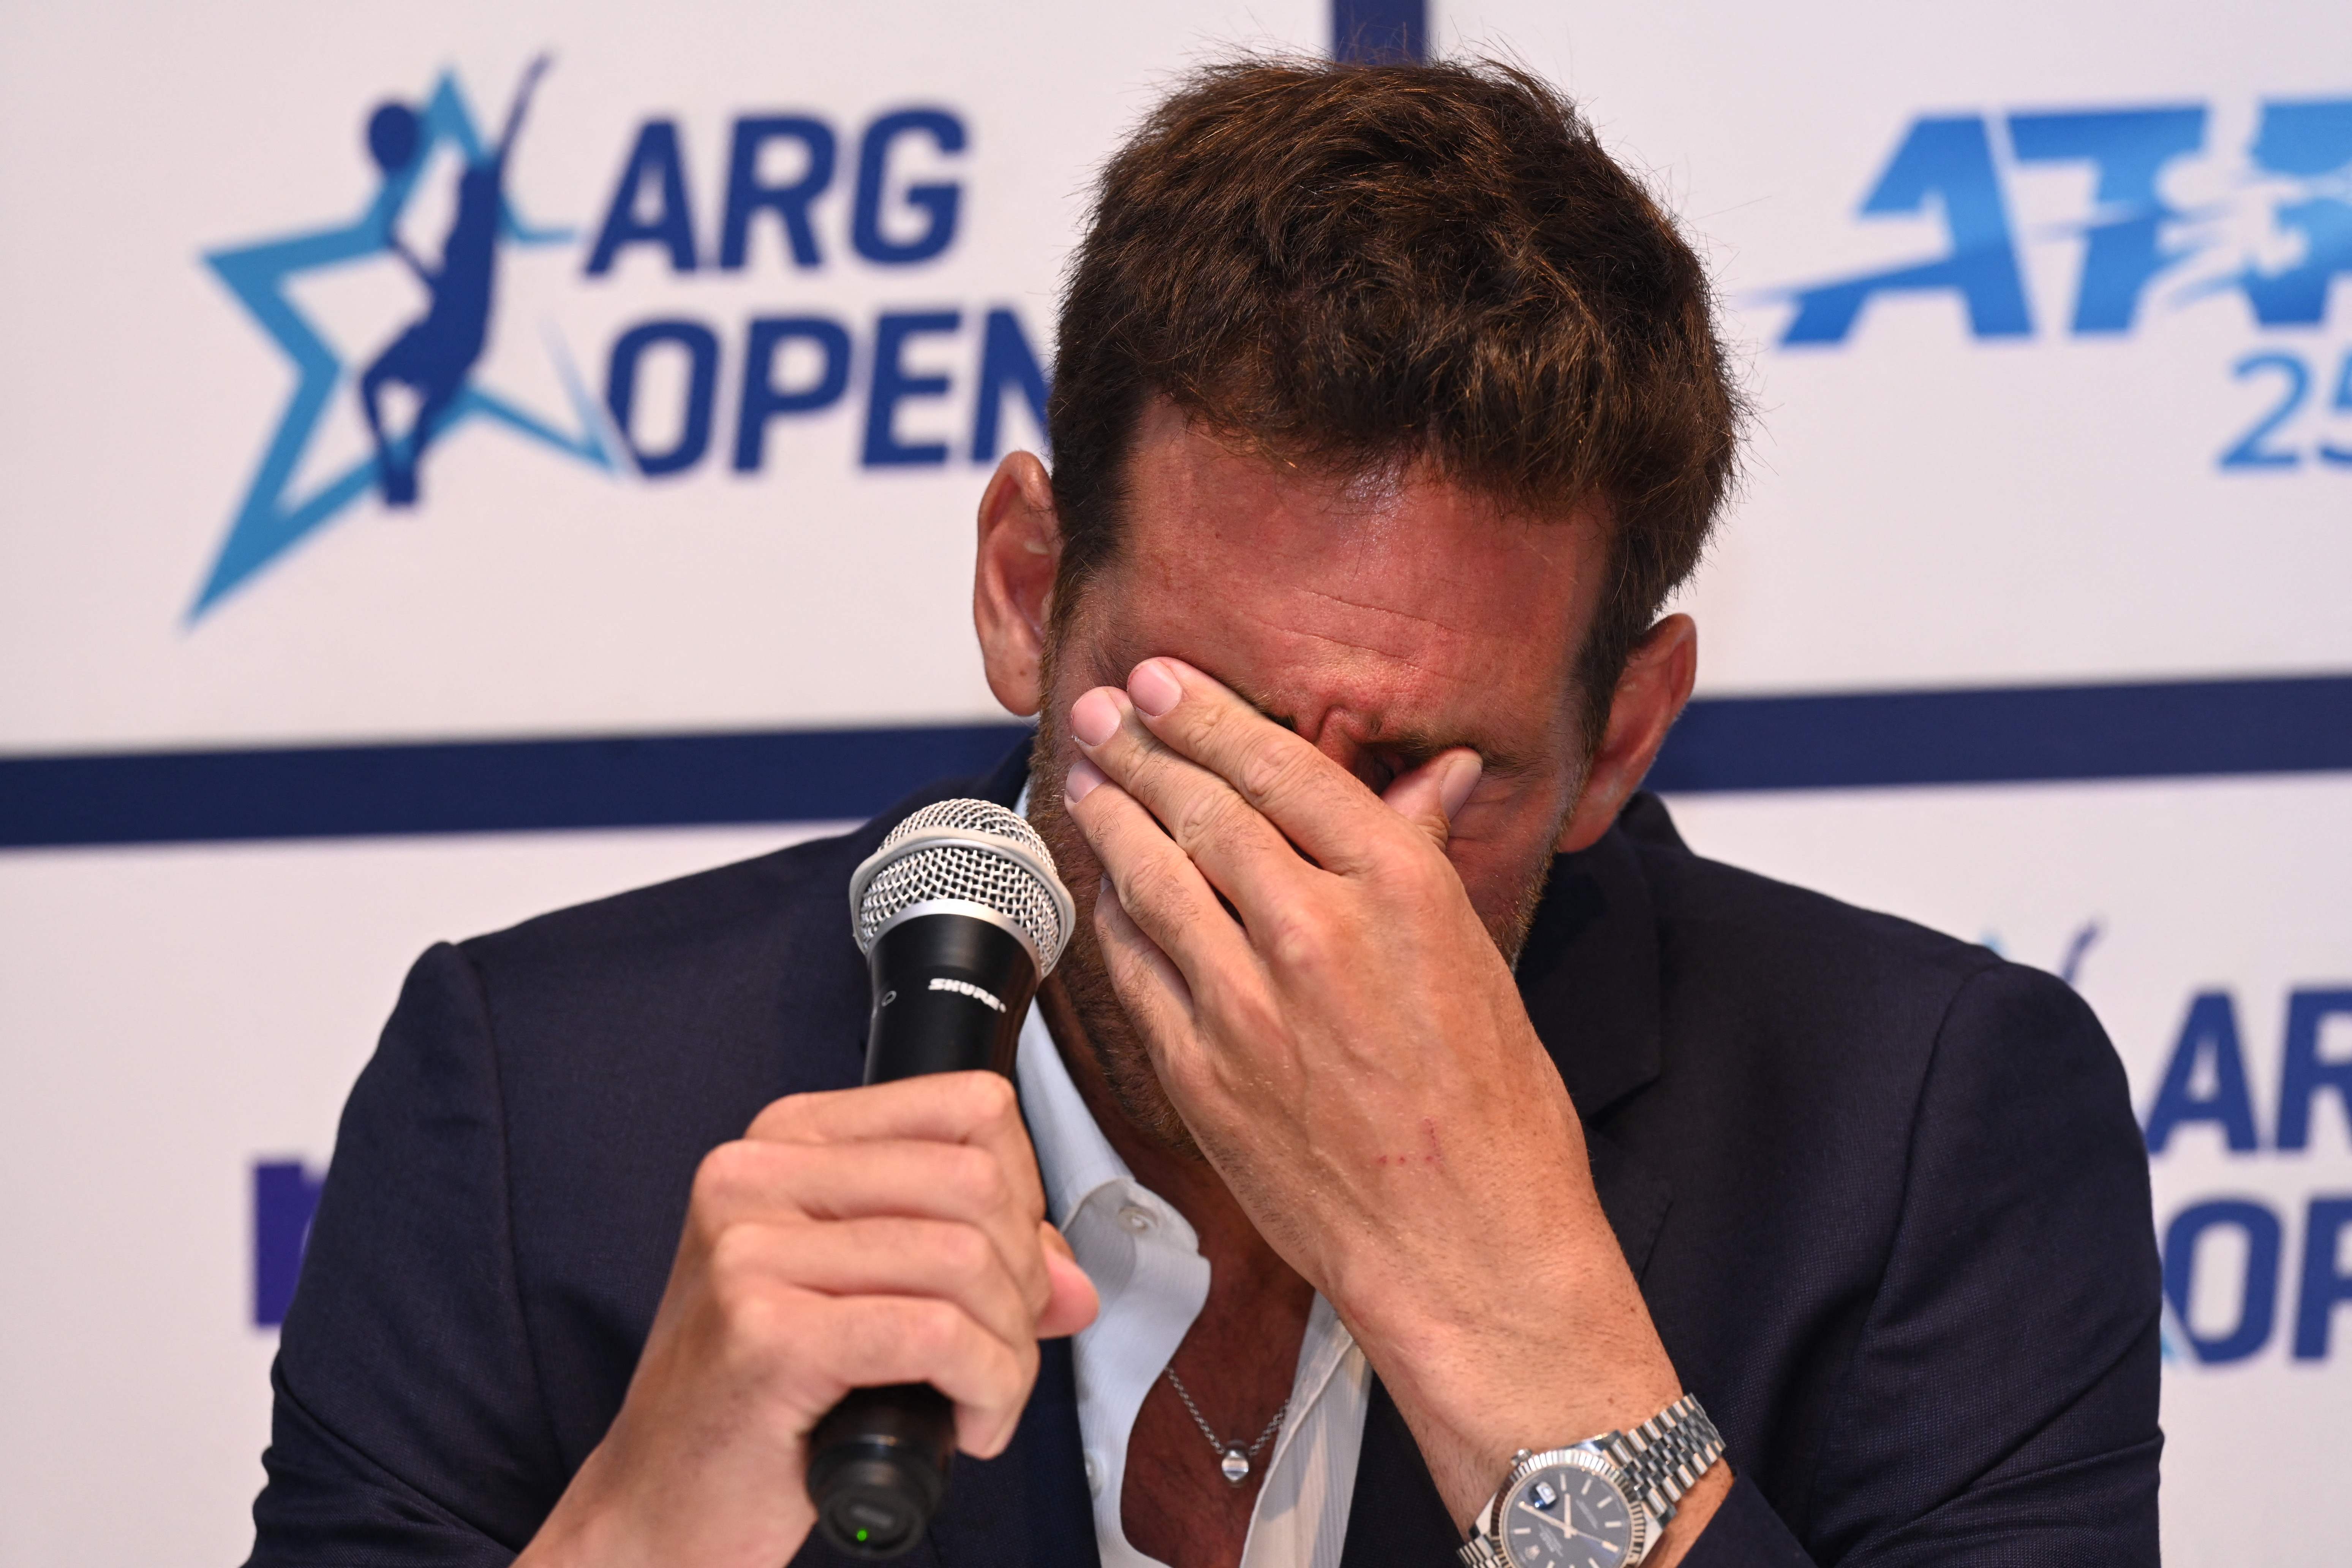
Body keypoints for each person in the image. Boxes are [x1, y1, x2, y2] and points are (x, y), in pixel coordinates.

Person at [247, 58, 2160, 1568]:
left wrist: (1524, 1347)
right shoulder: (540, 1101)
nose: (1279, 877)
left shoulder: (1916, 1128)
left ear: (1621, 736)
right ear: (1022, 585)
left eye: (1423, 773)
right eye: (1197, 728)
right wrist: (650, 1526)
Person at [358, 55, 550, 507]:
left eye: (461, 184)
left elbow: (509, 140)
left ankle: (397, 470)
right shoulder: (465, 235)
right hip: (453, 334)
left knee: (385, 391)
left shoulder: (476, 235)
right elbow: (442, 293)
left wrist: (527, 85)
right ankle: (396, 470)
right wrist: (403, 252)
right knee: (389, 394)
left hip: (456, 339)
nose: (455, 186)